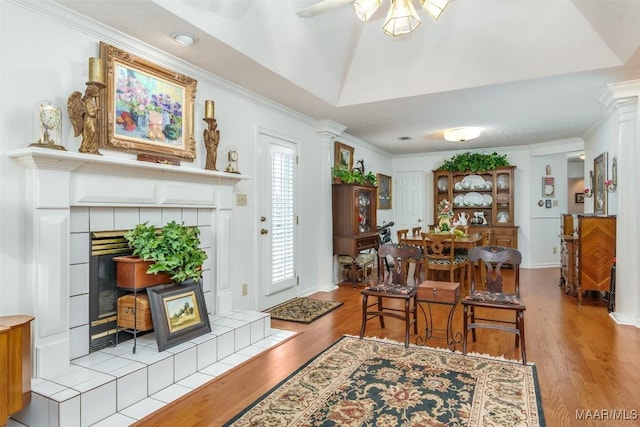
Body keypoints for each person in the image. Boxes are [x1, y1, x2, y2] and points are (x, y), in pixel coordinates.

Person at [68, 84, 102, 155]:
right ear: (91, 92)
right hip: (88, 120)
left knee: (94, 133)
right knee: (91, 132)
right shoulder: (87, 100)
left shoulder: (91, 101)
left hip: (92, 120)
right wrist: (96, 109)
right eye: (95, 92)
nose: (97, 94)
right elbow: (91, 113)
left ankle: (92, 148)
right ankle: (85, 147)